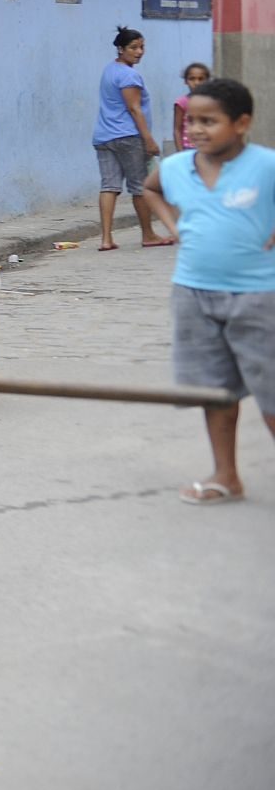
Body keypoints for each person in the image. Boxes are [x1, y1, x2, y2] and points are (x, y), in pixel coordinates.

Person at [140, 78, 275, 506]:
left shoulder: (265, 165)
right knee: (214, 391)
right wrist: (172, 225)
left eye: (209, 121)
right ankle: (226, 475)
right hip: (193, 293)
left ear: (241, 123)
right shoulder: (178, 167)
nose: (195, 129)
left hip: (259, 295)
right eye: (192, 121)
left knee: (271, 392)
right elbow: (149, 189)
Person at [93, 26, 172, 251]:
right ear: (120, 49)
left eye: (142, 47)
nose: (139, 52)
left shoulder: (109, 70)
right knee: (140, 187)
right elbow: (134, 108)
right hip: (128, 136)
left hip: (104, 136)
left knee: (109, 186)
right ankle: (148, 234)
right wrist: (148, 139)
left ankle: (106, 239)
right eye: (133, 48)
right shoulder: (129, 75)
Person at [173, 61, 212, 154]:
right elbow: (177, 129)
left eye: (201, 79)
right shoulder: (182, 103)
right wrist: (180, 153)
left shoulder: (212, 102)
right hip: (188, 149)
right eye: (192, 79)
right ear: (186, 81)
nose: (196, 83)